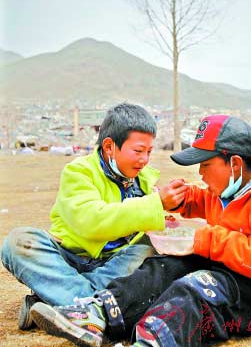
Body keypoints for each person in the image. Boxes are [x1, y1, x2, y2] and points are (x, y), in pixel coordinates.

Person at [28, 114, 251, 347]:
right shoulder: (232, 189)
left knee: (195, 289)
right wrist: (181, 198)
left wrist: (208, 239)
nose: (201, 173)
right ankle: (98, 313)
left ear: (235, 164)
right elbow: (209, 201)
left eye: (206, 165)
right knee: (164, 268)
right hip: (236, 270)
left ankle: (152, 340)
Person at [1, 102, 186, 331]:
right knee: (18, 242)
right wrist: (155, 204)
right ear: (109, 146)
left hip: (113, 266)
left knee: (153, 248)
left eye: (149, 152)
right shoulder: (78, 172)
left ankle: (58, 303)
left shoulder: (144, 179)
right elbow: (93, 222)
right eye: (138, 151)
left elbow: (140, 224)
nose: (145, 159)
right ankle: (96, 306)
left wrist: (162, 218)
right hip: (70, 260)